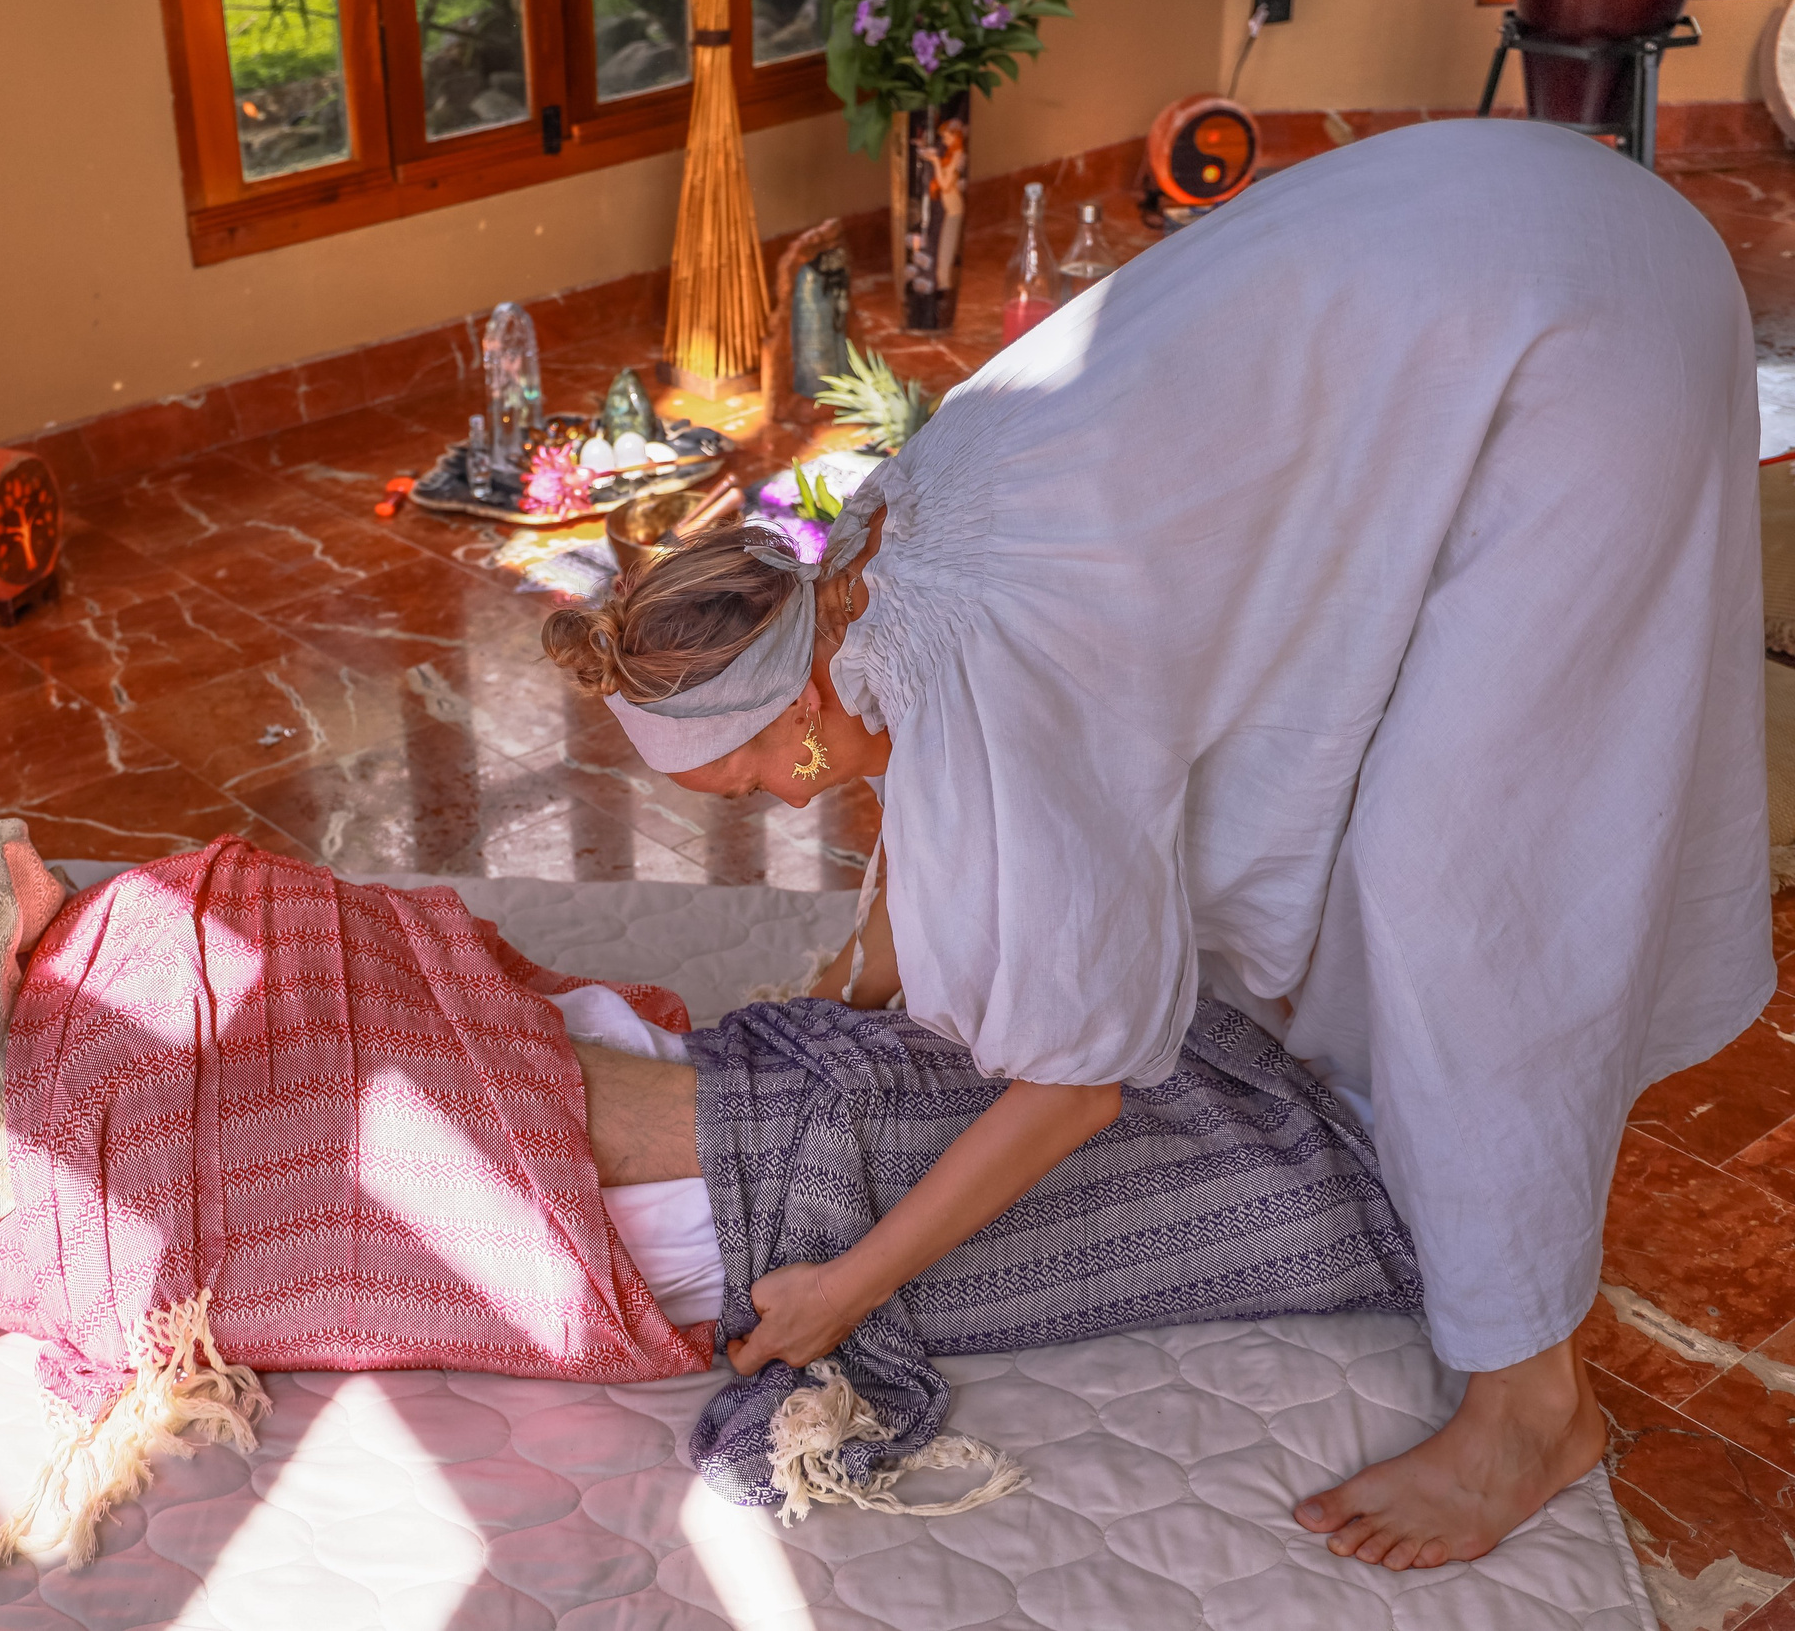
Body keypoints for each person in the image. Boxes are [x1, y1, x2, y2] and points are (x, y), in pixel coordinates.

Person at [541, 117, 1772, 1570]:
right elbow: (935, 799)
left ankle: (1533, 1410)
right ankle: (1439, 1160)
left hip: (1582, 329)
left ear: (800, 699)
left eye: (750, 780)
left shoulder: (987, 661)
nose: (780, 804)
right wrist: (850, 994)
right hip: (1490, 216)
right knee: (1381, 798)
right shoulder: (856, 568)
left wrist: (847, 1289)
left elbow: (1079, 1085)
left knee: (1466, 884)